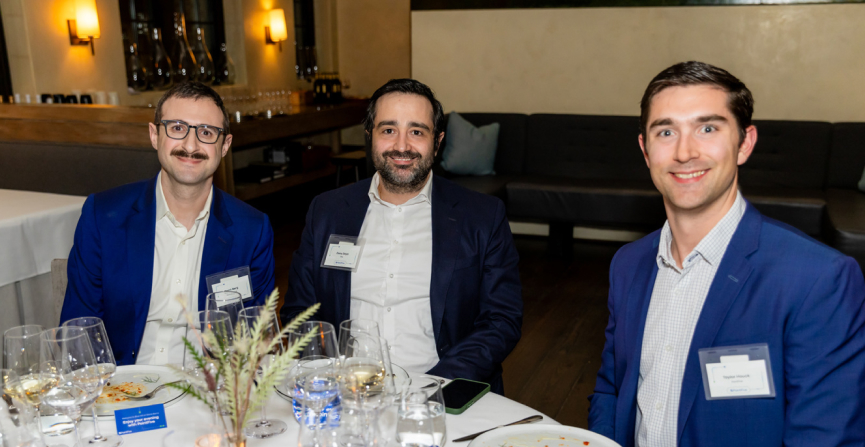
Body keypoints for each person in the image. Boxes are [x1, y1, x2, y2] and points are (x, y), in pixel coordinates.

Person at [588, 62, 865, 447]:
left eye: (708, 127)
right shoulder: (629, 265)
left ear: (745, 143)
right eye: (665, 131)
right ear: (645, 150)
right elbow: (610, 388)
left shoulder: (814, 278)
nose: (685, 151)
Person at [281, 79, 522, 394]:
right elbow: (299, 312)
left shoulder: (482, 216)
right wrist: (332, 375)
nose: (402, 146)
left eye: (417, 132)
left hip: (442, 392)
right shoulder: (327, 211)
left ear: (437, 142)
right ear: (370, 136)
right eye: (388, 130)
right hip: (348, 391)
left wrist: (432, 387)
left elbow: (501, 320)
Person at [61, 81, 275, 365]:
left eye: (206, 132)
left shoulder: (253, 230)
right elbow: (79, 333)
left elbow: (258, 339)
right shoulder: (103, 217)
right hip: (122, 384)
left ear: (225, 146)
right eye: (177, 128)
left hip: (209, 385)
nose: (191, 145)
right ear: (154, 135)